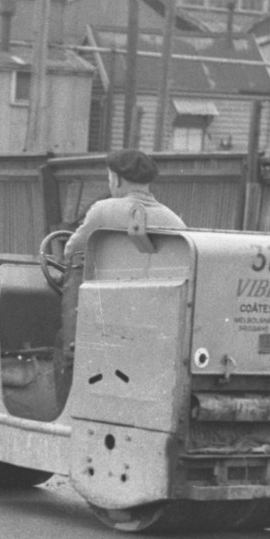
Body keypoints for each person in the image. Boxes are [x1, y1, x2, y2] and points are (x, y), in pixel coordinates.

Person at [55, 150, 187, 406]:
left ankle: (65, 415)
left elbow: (72, 250)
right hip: (150, 322)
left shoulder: (103, 212)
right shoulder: (174, 221)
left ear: (115, 179)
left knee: (68, 346)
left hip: (103, 318)